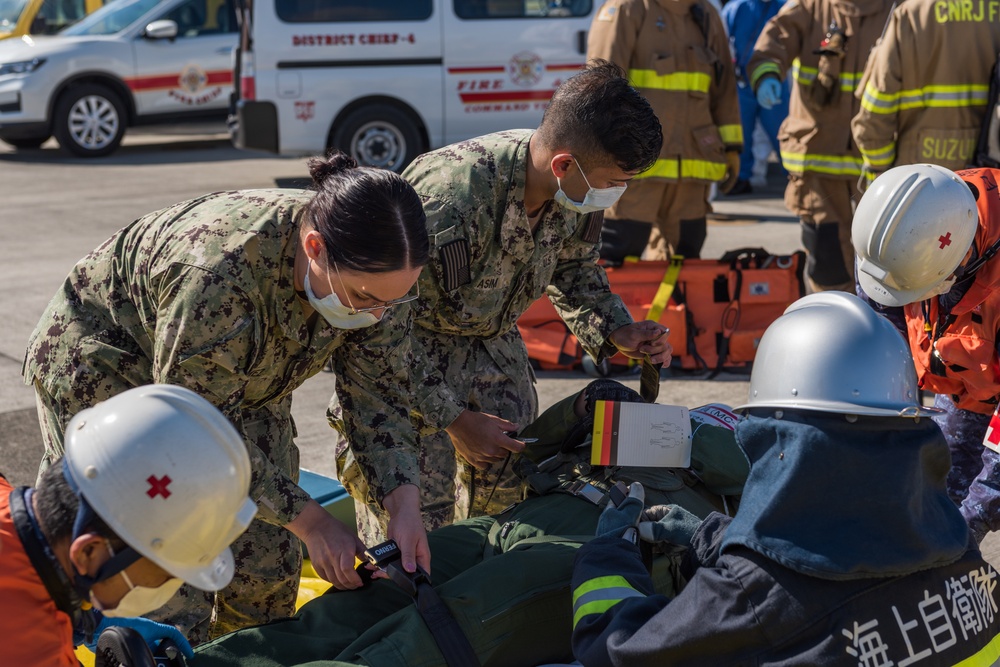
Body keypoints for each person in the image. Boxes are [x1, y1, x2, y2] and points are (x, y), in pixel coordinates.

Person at [21, 152, 429, 643]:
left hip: (238, 383)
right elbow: (190, 434)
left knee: (270, 564)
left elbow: (380, 396)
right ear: (315, 247)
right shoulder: (218, 272)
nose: (379, 316)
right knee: (160, 570)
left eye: (395, 300)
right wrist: (317, 525)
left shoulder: (380, 272)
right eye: (365, 299)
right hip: (109, 368)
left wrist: (403, 503)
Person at [329, 61, 672, 559]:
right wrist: (455, 420)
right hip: (406, 361)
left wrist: (617, 329)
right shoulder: (447, 196)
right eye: (614, 181)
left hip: (492, 349)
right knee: (413, 530)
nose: (617, 194)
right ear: (563, 164)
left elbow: (574, 268)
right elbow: (380, 332)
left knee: (510, 505)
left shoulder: (576, 192)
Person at [571, 291, 1000, 665]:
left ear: (776, 433)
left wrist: (607, 554)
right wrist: (712, 535)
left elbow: (619, 651)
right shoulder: (956, 547)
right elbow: (841, 535)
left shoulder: (750, 596)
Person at [191, 380, 748, 667]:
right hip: (505, 527)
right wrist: (583, 409)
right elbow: (533, 454)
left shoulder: (749, 465)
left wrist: (693, 432)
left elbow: (737, 472)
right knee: (373, 595)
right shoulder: (642, 435)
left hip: (590, 550)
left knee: (438, 629)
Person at [0, 385, 258, 667]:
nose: (165, 587)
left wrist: (86, 619)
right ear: (88, 552)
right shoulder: (33, 652)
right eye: (165, 573)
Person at [853, 163, 1000, 544]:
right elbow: (882, 317)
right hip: (965, 381)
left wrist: (972, 520)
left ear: (959, 264)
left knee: (968, 517)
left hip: (985, 381)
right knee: (931, 496)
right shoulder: (905, 232)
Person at [748, 0, 893, 292]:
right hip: (819, 161)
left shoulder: (898, 10)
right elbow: (772, 44)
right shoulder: (809, 8)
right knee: (828, 260)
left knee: (889, 257)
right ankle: (836, 323)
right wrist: (766, 75)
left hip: (880, 163)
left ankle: (884, 327)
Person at [586, 1, 743, 262]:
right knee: (619, 251)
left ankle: (670, 304)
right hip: (635, 165)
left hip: (692, 167)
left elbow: (723, 88)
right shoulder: (627, 9)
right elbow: (601, 88)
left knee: (686, 255)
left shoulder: (705, 14)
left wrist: (732, 146)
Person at [852, 0, 1000, 185]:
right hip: (989, 181)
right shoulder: (995, 12)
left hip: (916, 179)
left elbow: (876, 110)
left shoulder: (911, 14)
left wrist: (881, 171)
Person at [721, 0, 789, 195]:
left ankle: (795, 178)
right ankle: (740, 178)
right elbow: (723, 41)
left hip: (775, 81)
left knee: (782, 132)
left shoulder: (784, 6)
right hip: (742, 83)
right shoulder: (737, 7)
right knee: (742, 133)